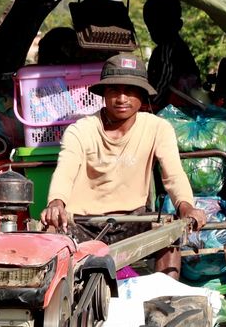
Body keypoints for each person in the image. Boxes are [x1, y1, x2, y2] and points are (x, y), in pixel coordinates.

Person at [41, 53, 207, 279]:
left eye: (130, 90)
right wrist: (56, 203)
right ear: (103, 95)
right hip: (82, 223)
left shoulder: (158, 127)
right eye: (113, 90)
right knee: (50, 241)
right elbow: (65, 171)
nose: (121, 98)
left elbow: (173, 175)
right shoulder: (80, 130)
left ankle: (162, 306)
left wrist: (186, 206)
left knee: (170, 234)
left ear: (142, 95)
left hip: (134, 221)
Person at [143, 0, 202, 109]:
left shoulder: (169, 49)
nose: (153, 32)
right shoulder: (171, 48)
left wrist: (150, 102)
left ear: (178, 25)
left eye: (159, 26)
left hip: (172, 108)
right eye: (150, 27)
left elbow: (164, 80)